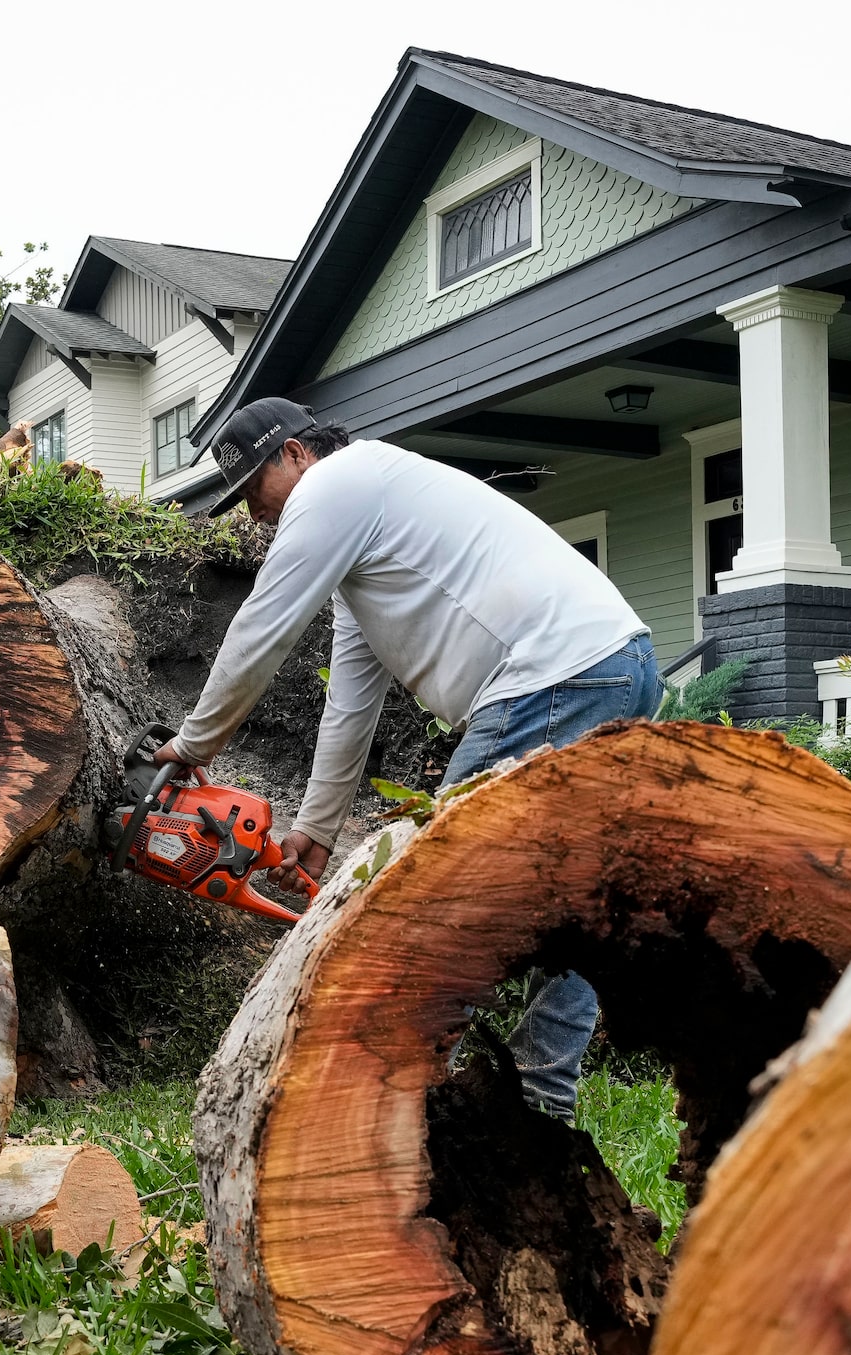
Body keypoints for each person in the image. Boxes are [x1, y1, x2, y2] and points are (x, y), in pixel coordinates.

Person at [157, 396, 659, 1117]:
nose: (251, 515)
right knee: (575, 896)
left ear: (295, 453)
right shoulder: (370, 535)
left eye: (252, 491)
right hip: (615, 663)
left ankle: (403, 1098)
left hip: (552, 677)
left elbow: (261, 626)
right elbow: (351, 701)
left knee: (432, 896)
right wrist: (317, 831)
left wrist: (194, 743)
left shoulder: (338, 485)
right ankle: (540, 1097)